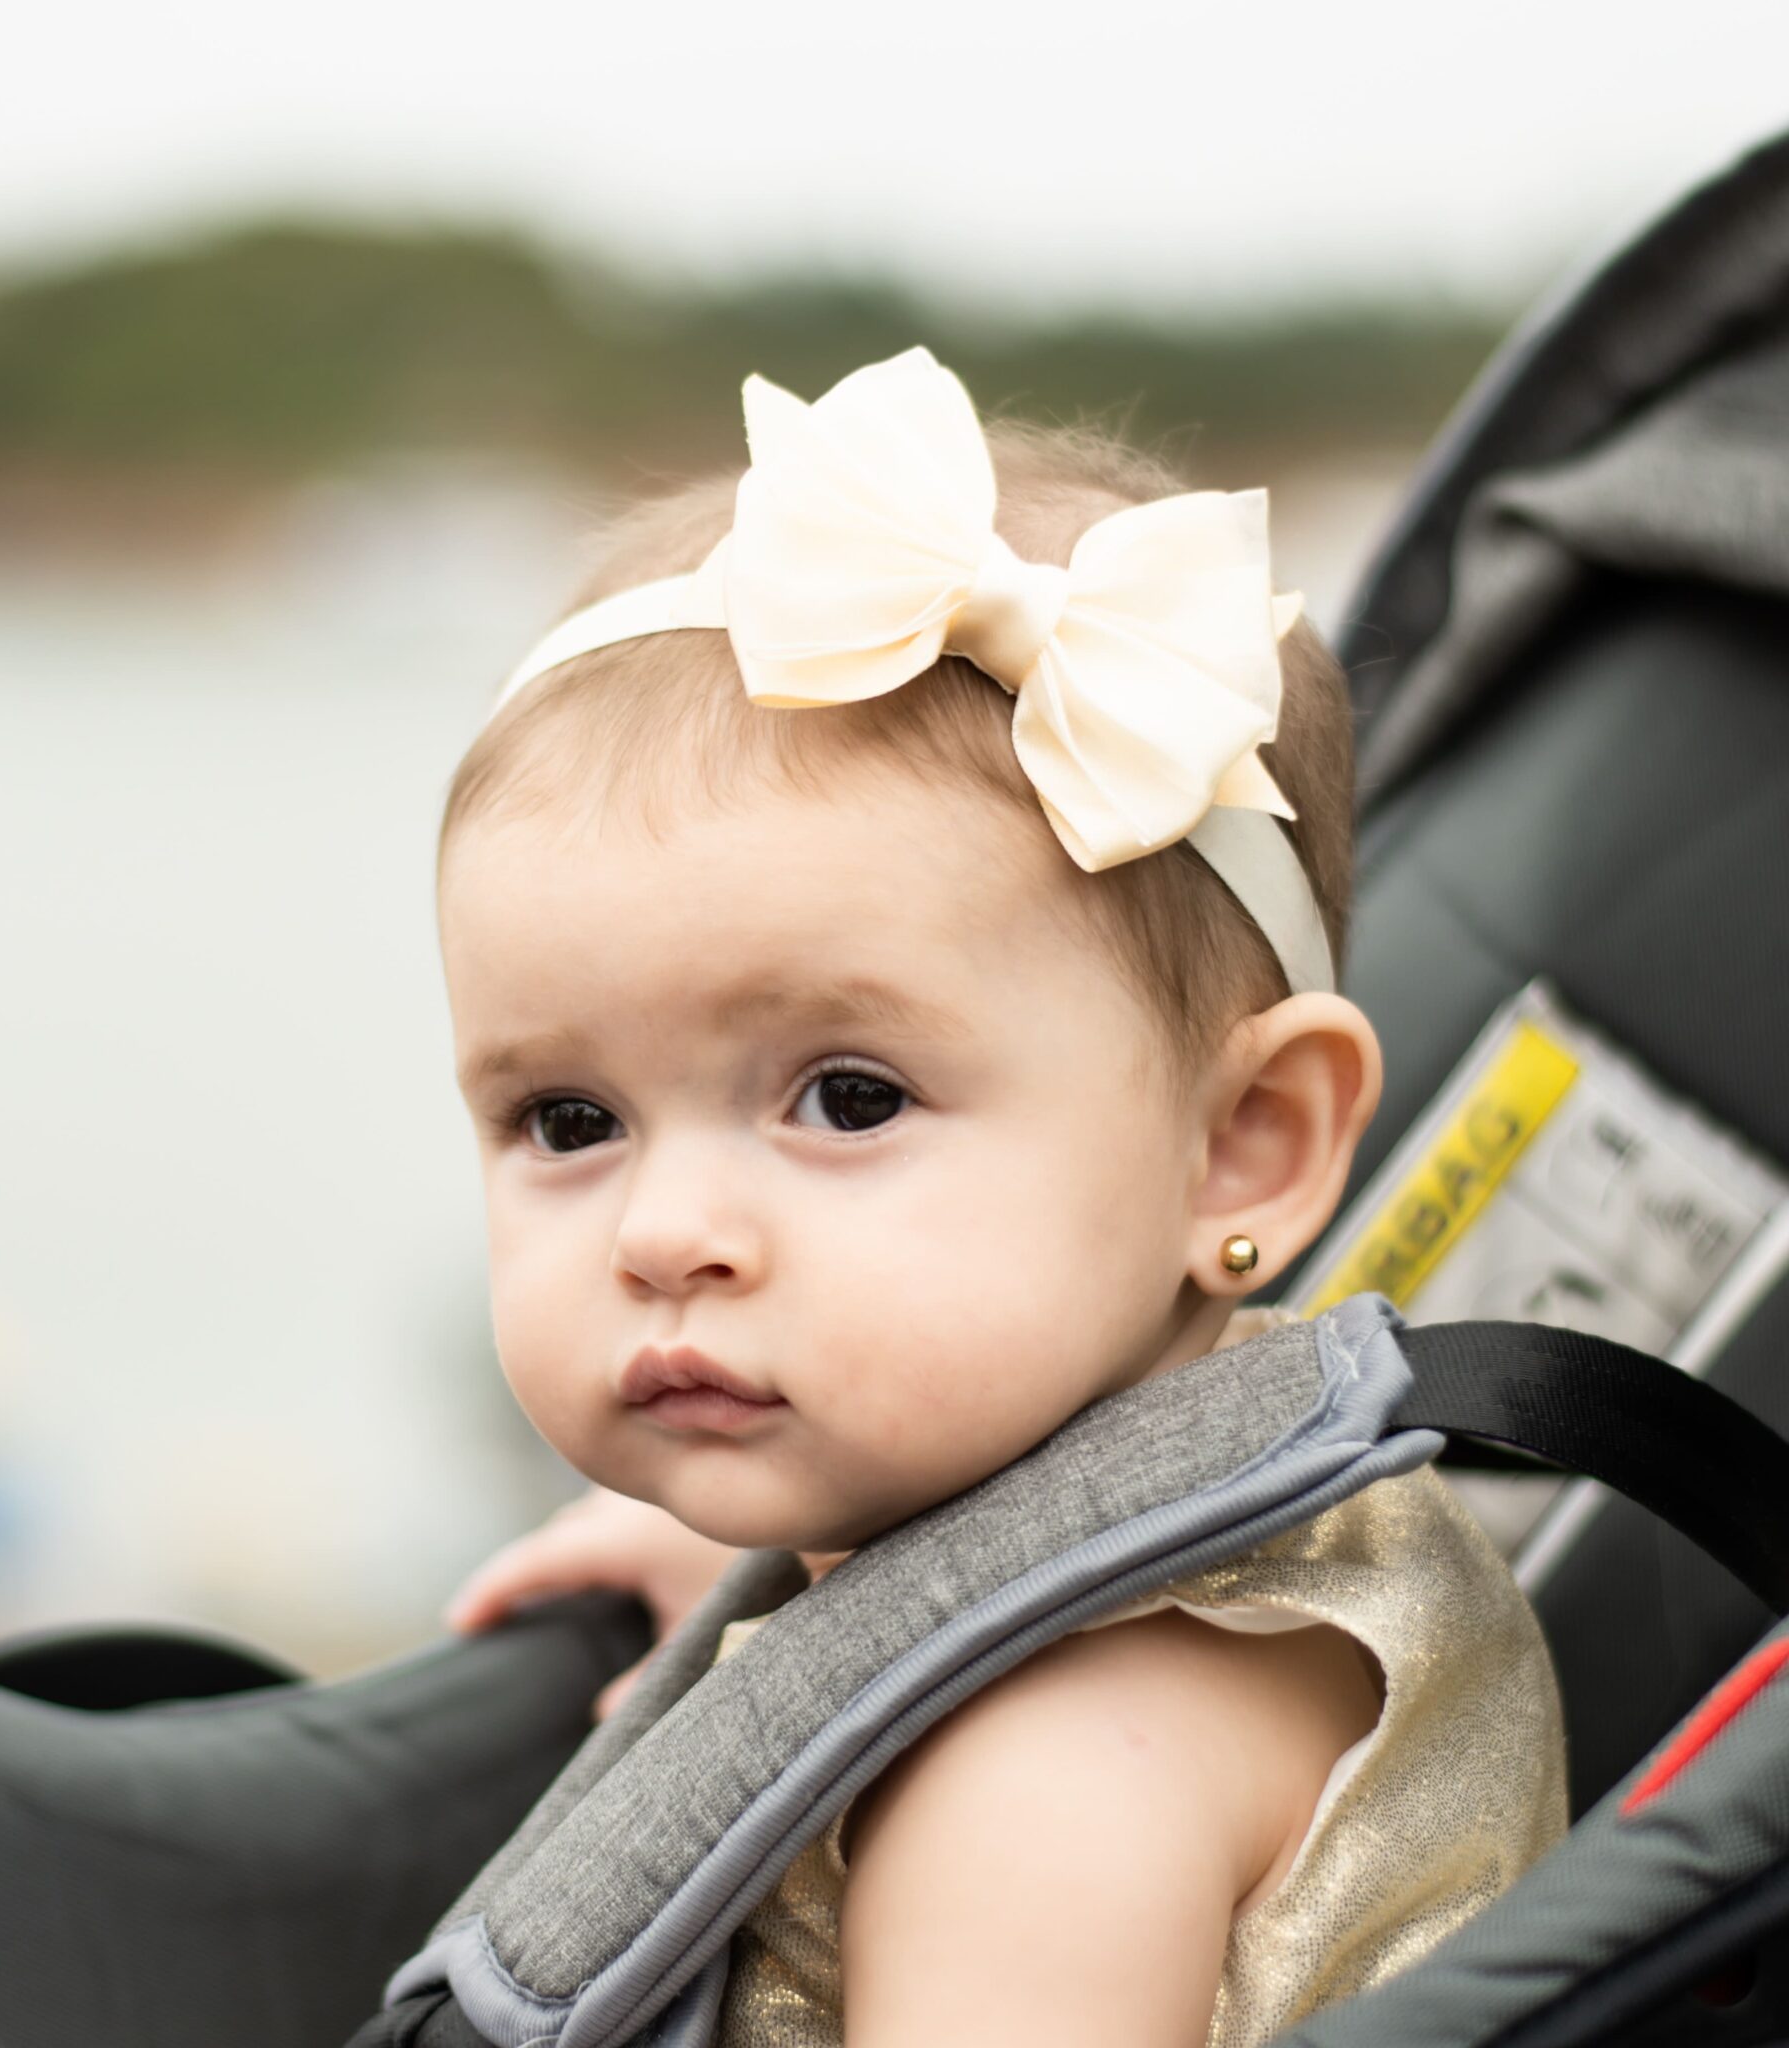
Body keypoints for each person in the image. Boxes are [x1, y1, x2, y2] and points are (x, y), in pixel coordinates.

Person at [425, 349, 1565, 2047]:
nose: (666, 1235)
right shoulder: (1262, 1506)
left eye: (851, 1098)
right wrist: (790, 1596)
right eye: (570, 1116)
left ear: (1244, 1144)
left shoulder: (1044, 1790)